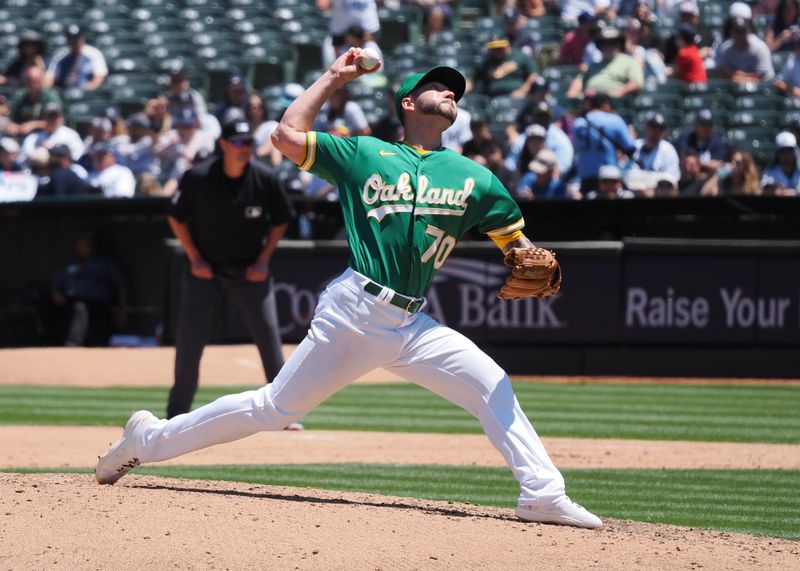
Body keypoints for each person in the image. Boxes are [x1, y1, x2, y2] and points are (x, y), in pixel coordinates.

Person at [95, 51, 603, 530]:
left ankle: (541, 494)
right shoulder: (364, 152)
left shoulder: (476, 178)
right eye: (437, 86)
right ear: (408, 103)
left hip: (412, 324)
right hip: (355, 310)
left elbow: (517, 243)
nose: (450, 92)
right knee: (274, 409)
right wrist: (335, 77)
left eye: (455, 90)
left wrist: (529, 255)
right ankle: (149, 438)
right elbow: (286, 134)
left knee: (492, 383)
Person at [161, 117, 295, 421]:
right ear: (223, 145)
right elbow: (175, 216)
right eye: (238, 142)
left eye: (248, 142)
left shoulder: (265, 178)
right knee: (189, 344)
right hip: (204, 271)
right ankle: (176, 413)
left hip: (250, 271)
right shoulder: (198, 177)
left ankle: (285, 414)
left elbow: (281, 219)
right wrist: (194, 258)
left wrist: (263, 260)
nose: (244, 148)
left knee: (270, 340)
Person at [52, 231, 127, 347]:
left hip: (97, 305)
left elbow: (122, 285)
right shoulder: (69, 265)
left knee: (81, 308)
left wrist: (122, 311)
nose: (84, 247)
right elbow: (56, 287)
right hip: (69, 304)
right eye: (81, 244)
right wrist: (56, 294)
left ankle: (73, 343)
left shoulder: (105, 264)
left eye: (87, 243)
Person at [572, 91, 636, 193]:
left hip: (585, 178)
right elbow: (630, 148)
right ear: (605, 104)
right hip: (608, 177)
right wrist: (631, 136)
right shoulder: (614, 120)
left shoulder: (578, 123)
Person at [567, 27, 644, 98]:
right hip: (589, 102)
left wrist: (621, 91)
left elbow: (637, 83)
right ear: (600, 46)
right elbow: (579, 80)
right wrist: (572, 92)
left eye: (612, 42)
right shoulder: (594, 65)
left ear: (618, 44)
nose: (608, 46)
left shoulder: (628, 62)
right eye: (605, 43)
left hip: (613, 104)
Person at [467, 36, 540, 98]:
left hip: (518, 98)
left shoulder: (520, 57)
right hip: (492, 99)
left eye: (500, 48)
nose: (497, 51)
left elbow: (533, 74)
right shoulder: (486, 62)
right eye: (494, 48)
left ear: (507, 45)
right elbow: (471, 81)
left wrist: (523, 90)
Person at [45, 24, 108, 91]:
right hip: (64, 92)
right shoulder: (60, 56)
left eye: (77, 38)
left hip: (87, 93)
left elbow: (99, 77)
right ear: (67, 40)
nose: (75, 42)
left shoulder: (94, 54)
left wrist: (89, 87)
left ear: (83, 38)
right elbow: (49, 78)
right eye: (72, 39)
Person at [18, 102, 84, 165]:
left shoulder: (70, 135)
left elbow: (78, 156)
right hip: (38, 172)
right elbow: (22, 159)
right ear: (44, 119)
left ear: (62, 118)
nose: (53, 120)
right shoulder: (32, 138)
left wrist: (55, 152)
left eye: (56, 116)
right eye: (50, 117)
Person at [714, 16, 775, 83]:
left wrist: (743, 78)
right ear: (732, 32)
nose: (741, 35)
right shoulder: (725, 48)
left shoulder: (760, 48)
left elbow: (763, 76)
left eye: (743, 31)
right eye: (737, 31)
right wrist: (736, 76)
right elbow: (721, 71)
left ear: (748, 31)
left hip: (763, 89)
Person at [7, 66, 63, 138]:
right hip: (20, 135)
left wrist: (34, 125)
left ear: (42, 80)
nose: (32, 84)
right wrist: (11, 125)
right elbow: (11, 118)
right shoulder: (20, 96)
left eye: (36, 80)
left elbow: (56, 122)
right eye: (29, 80)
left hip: (44, 135)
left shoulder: (50, 97)